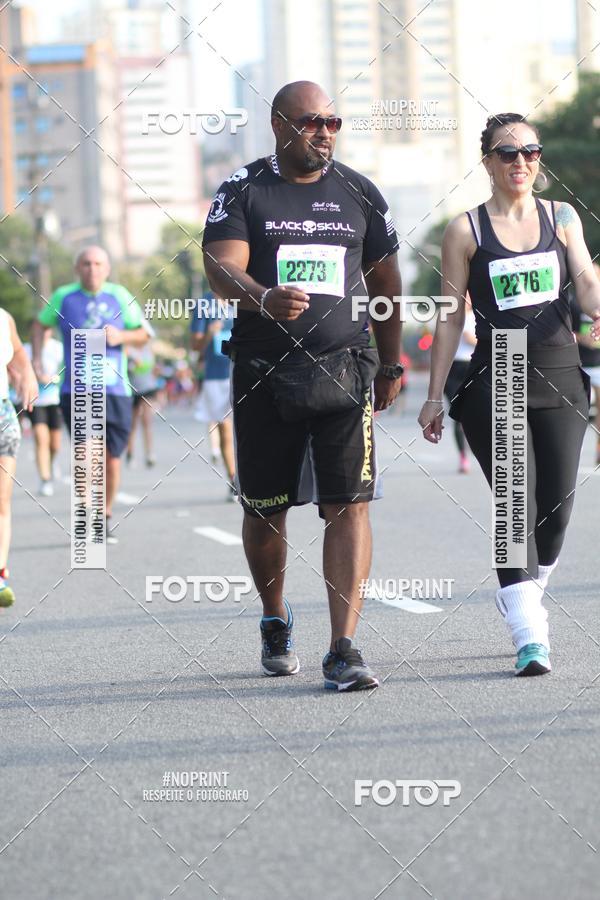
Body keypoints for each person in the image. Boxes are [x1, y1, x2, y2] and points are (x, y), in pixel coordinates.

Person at [203, 80, 403, 691]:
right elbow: (220, 268)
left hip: (345, 367)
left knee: (350, 503)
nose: (325, 132)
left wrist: (391, 364)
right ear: (279, 124)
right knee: (265, 510)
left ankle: (343, 648)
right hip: (264, 372)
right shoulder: (243, 188)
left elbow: (386, 284)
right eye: (312, 121)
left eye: (333, 122)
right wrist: (262, 296)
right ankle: (273, 616)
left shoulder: (358, 191)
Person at [419, 113, 600, 677]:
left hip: (561, 372)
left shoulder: (562, 217)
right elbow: (451, 317)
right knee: (515, 504)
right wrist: (433, 395)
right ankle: (529, 634)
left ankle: (524, 593)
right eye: (507, 153)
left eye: (530, 152)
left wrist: (597, 303)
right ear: (488, 162)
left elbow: (586, 282)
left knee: (557, 511)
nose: (521, 162)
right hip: (498, 372)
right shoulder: (465, 230)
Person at [31, 246, 148, 544]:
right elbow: (40, 324)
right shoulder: (63, 297)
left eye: (97, 264)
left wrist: (121, 336)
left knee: (111, 459)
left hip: (116, 390)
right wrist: (37, 358)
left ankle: (104, 515)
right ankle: (86, 514)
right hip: (77, 388)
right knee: (85, 453)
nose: (92, 269)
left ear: (107, 269)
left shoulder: (120, 295)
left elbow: (143, 334)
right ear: (77, 268)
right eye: (86, 264)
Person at [0, 308, 38, 606]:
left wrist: (28, 374)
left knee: (1, 500)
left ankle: (0, 575)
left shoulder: (4, 318)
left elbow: (18, 353)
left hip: (2, 414)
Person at [190, 296, 236, 500]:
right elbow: (195, 345)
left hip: (243, 370)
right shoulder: (203, 305)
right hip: (216, 376)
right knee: (225, 427)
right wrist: (209, 334)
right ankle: (233, 480)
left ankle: (249, 477)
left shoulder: (241, 296)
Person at [24, 331, 64, 495]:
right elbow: (21, 371)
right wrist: (36, 377)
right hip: (36, 401)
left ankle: (50, 462)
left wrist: (54, 378)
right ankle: (45, 479)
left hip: (55, 400)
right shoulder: (26, 349)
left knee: (55, 444)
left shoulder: (58, 348)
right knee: (41, 439)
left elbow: (67, 369)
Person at [442, 301, 476, 473]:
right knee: (459, 415)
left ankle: (477, 450)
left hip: (473, 366)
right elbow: (468, 338)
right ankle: (463, 456)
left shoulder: (479, 315)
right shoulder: (449, 317)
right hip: (454, 369)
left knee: (475, 413)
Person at [571, 265, 600, 464]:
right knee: (578, 409)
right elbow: (566, 331)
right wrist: (583, 338)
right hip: (580, 363)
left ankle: (598, 449)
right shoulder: (574, 302)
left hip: (599, 364)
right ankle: (573, 450)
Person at [126, 325, 160, 467]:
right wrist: (133, 363)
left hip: (148, 388)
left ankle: (149, 453)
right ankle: (130, 453)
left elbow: (153, 368)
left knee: (147, 421)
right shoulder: (128, 349)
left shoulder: (149, 349)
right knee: (132, 423)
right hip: (132, 389)